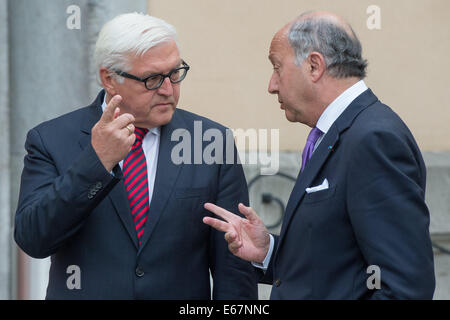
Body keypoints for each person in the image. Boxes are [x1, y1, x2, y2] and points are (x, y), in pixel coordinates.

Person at [14, 13, 258, 299]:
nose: (168, 90)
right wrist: (97, 163)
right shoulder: (52, 139)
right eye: (153, 79)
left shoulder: (210, 142)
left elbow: (234, 269)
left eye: (175, 73)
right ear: (110, 79)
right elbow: (34, 239)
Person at [203, 11, 436, 299]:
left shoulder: (373, 139)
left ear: (314, 66)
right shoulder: (337, 132)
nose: (271, 85)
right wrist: (269, 251)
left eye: (277, 67)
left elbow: (405, 288)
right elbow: (337, 265)